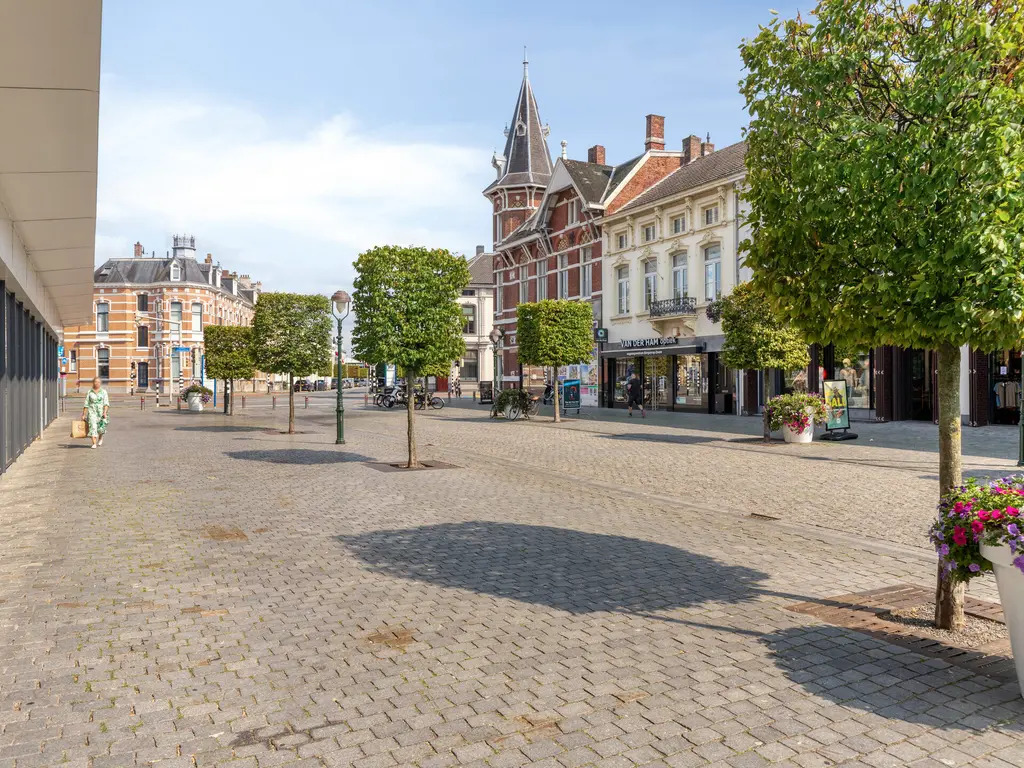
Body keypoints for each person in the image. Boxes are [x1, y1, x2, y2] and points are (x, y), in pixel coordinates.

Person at [82, 377, 109, 449]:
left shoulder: (104, 392)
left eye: (98, 382)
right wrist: (84, 414)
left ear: (100, 383)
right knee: (93, 427)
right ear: (93, 382)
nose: (97, 383)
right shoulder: (89, 392)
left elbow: (106, 403)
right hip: (92, 412)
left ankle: (100, 438)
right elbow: (86, 403)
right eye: (95, 382)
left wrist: (105, 412)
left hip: (101, 413)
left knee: (100, 429)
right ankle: (94, 443)